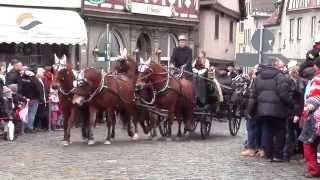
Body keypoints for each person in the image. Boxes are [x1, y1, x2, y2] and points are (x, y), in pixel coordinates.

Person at [248, 58, 293, 162]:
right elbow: (284, 94)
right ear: (276, 66)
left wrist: (250, 110)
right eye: (281, 66)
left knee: (267, 131)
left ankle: (269, 154)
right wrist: (291, 104)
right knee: (280, 132)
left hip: (262, 110)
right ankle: (278, 155)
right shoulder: (280, 77)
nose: (282, 68)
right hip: (278, 110)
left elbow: (253, 95)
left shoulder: (258, 77)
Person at [299, 58, 320, 178]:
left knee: (308, 142)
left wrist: (305, 113)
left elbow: (314, 100)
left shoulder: (317, 80)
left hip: (315, 117)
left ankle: (313, 170)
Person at [18, 64, 42, 133]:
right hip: (33, 99)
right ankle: (29, 128)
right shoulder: (34, 78)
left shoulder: (23, 77)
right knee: (31, 114)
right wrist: (39, 97)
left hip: (24, 98)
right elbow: (38, 89)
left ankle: (24, 127)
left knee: (24, 113)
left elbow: (20, 87)